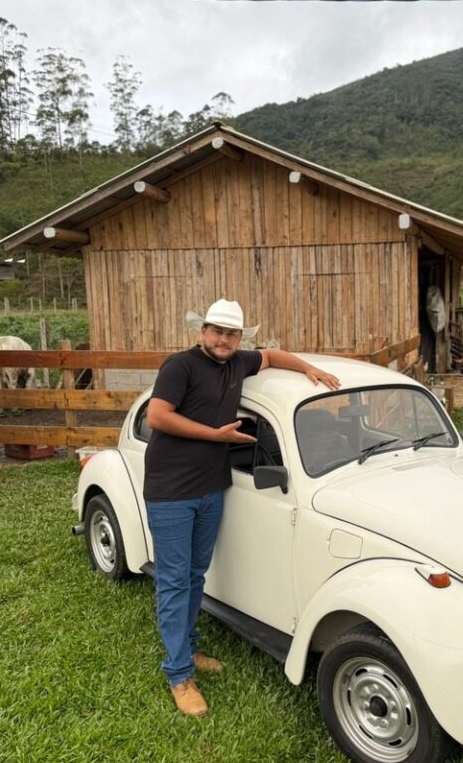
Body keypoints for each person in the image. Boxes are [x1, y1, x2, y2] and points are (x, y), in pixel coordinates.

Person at [143, 298, 340, 717]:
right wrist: (215, 436)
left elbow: (272, 356)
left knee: (195, 574)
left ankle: (189, 649)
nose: (223, 340)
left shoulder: (239, 363)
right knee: (174, 581)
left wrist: (308, 368)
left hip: (211, 487)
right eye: (217, 331)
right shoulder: (180, 366)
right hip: (171, 490)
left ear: (239, 338)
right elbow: (157, 417)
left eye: (231, 334)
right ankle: (178, 674)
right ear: (203, 331)